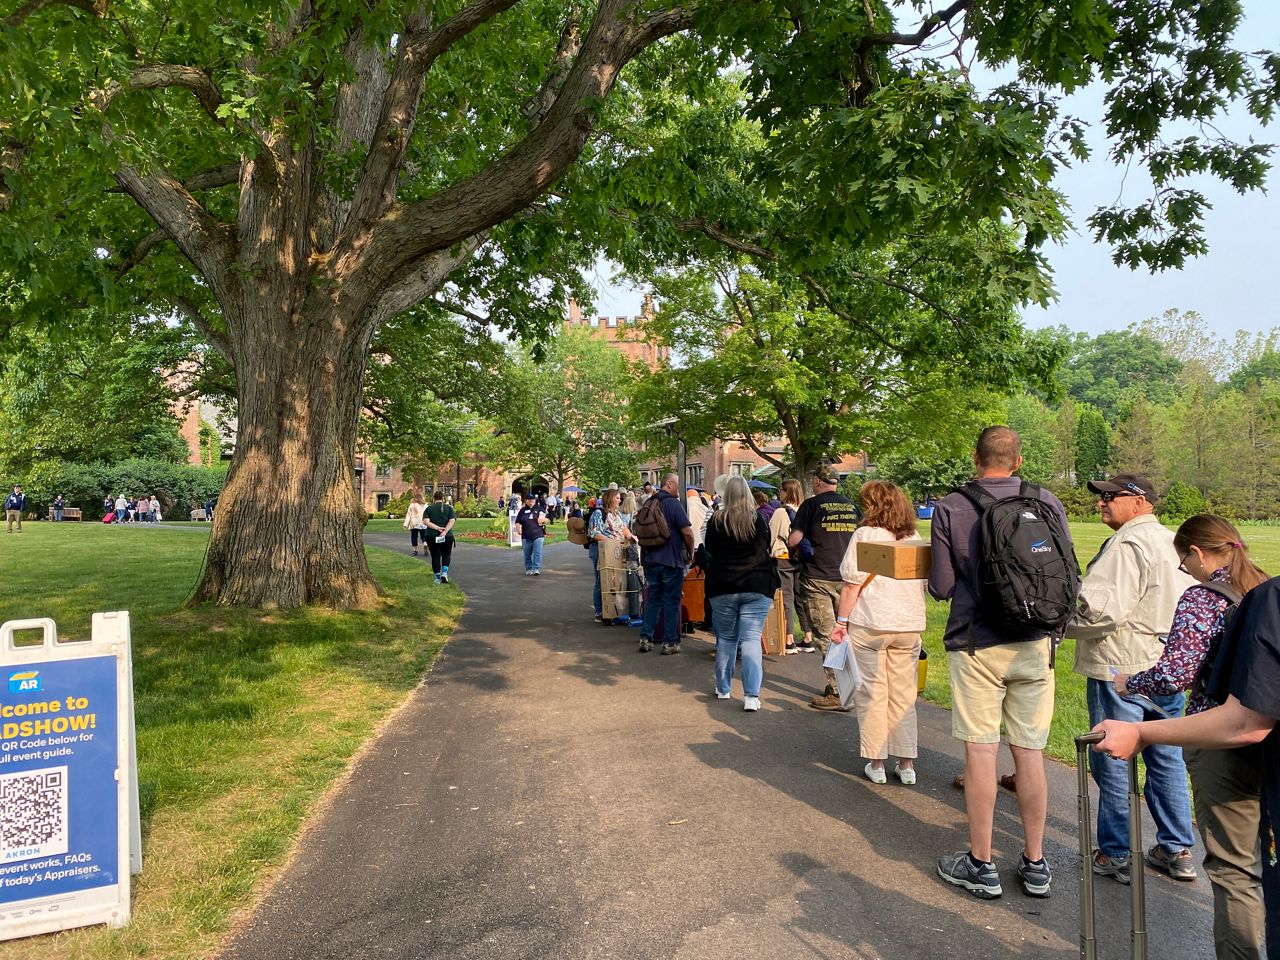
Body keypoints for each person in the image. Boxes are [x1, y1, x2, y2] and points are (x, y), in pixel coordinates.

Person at [1091, 575, 1280, 960]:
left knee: (1235, 868)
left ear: (1197, 552)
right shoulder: (1258, 585)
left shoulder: (1263, 597)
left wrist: (1140, 724)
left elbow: (1246, 722)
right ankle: (1176, 845)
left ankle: (1145, 848)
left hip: (1222, 738)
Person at [929, 426, 1071, 900]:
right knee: (1029, 755)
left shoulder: (952, 506)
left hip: (977, 644)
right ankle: (1035, 862)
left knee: (981, 753)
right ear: (1019, 459)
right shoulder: (1046, 501)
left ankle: (982, 862)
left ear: (975, 457)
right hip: (1036, 642)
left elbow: (943, 586)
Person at [1065, 473, 1198, 885]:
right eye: (1101, 497)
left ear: (1139, 501)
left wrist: (1058, 621)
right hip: (1166, 665)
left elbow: (1101, 610)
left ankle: (1115, 851)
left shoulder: (1128, 544)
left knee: (1114, 758)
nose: (1101, 503)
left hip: (1121, 666)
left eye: (1111, 497)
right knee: (1166, 758)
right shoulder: (1168, 539)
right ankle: (1177, 849)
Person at [831, 480, 926, 785]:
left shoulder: (865, 535)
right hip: (909, 624)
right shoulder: (913, 537)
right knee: (904, 693)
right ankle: (906, 762)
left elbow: (851, 584)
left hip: (871, 622)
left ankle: (877, 761)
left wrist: (840, 623)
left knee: (872, 693)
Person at [786, 464, 858, 709]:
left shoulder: (811, 505)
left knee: (829, 636)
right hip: (848, 579)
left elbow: (794, 538)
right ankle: (850, 686)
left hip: (818, 578)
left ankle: (838, 693)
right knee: (849, 634)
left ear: (817, 481)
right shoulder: (851, 506)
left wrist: (796, 545)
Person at [705, 475, 779, 711]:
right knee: (750, 638)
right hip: (756, 583)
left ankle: (724, 688)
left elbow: (710, 550)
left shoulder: (717, 520)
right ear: (747, 493)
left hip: (723, 584)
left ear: (726, 494)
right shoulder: (758, 519)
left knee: (726, 639)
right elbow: (765, 547)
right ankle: (751, 696)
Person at [637, 473, 694, 654]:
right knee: (671, 600)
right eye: (678, 484)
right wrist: (690, 551)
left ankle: (646, 638)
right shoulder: (673, 504)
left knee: (653, 598)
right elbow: (687, 532)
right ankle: (670, 642)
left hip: (650, 559)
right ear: (669, 484)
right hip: (670, 560)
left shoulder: (648, 503)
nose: (680, 488)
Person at [768, 478, 809, 657]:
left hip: (783, 557)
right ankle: (808, 637)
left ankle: (789, 638)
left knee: (786, 597)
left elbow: (772, 535)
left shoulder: (780, 512)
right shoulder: (804, 510)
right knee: (800, 597)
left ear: (786, 492)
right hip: (801, 559)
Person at [591, 490, 638, 623]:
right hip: (605, 551)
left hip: (618, 551)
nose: (619, 500)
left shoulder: (616, 514)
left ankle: (614, 611)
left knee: (616, 581)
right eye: (617, 498)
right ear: (610, 499)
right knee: (602, 581)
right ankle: (600, 611)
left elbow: (623, 528)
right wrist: (610, 542)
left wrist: (630, 536)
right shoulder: (599, 513)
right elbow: (594, 532)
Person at [424, 490, 456, 584]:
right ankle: (444, 573)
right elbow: (452, 520)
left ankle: (437, 578)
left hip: (431, 535)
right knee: (446, 554)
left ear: (433, 498)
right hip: (447, 536)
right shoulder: (449, 508)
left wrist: (438, 528)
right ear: (443, 498)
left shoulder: (429, 509)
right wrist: (445, 531)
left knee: (435, 556)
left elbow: (426, 521)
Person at [515, 492, 548, 576]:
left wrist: (543, 520)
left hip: (538, 534)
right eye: (529, 499)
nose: (531, 501)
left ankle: (536, 568)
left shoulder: (539, 509)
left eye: (532, 499)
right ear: (526, 501)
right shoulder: (522, 510)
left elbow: (546, 519)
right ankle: (529, 568)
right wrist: (518, 529)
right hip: (526, 536)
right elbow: (517, 521)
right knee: (527, 554)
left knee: (537, 553)